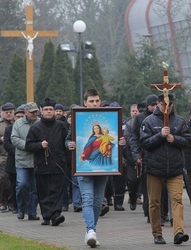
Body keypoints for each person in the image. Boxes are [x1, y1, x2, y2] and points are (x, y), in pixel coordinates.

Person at [66, 88, 125, 247]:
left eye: (97, 101)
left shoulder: (109, 118)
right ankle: (90, 229)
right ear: (85, 103)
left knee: (98, 202)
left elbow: (115, 139)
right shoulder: (78, 119)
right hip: (84, 167)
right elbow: (69, 140)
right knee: (88, 199)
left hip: (103, 167)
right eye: (91, 101)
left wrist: (120, 143)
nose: (94, 103)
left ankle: (90, 231)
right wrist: (70, 144)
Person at [140, 93, 190, 245]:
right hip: (155, 169)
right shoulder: (148, 121)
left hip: (175, 169)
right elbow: (145, 142)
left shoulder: (180, 121)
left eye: (169, 105)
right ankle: (157, 233)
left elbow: (187, 141)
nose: (166, 108)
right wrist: (160, 135)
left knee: (177, 200)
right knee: (154, 202)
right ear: (158, 104)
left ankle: (178, 233)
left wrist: (175, 139)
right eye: (163, 105)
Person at [26, 98, 68, 226]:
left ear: (54, 111)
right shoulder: (35, 128)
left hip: (58, 165)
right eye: (46, 110)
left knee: (57, 191)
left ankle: (56, 215)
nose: (49, 112)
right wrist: (39, 145)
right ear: (41, 111)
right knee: (44, 192)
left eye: (51, 110)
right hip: (42, 165)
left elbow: (66, 143)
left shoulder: (61, 126)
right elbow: (28, 146)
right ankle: (46, 215)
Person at [128, 94, 158, 221]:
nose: (155, 107)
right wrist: (136, 155)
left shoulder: (160, 117)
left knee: (150, 186)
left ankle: (153, 213)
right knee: (135, 182)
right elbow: (133, 137)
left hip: (154, 156)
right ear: (148, 106)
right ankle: (135, 199)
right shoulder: (139, 118)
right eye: (152, 105)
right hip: (141, 155)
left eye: (157, 104)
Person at [11, 102, 40, 221]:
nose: (34, 114)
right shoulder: (18, 124)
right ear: (26, 112)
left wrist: (37, 146)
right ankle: (21, 208)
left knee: (35, 188)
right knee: (22, 185)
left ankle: (32, 212)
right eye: (32, 112)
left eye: (36, 111)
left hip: (37, 160)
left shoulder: (40, 123)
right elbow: (14, 138)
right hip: (22, 160)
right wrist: (28, 145)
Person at [3, 106, 25, 214]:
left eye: (22, 116)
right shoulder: (9, 129)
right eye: (18, 116)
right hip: (13, 160)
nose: (20, 118)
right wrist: (17, 152)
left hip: (26, 160)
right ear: (14, 117)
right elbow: (6, 144)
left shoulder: (28, 127)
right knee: (13, 185)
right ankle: (13, 204)